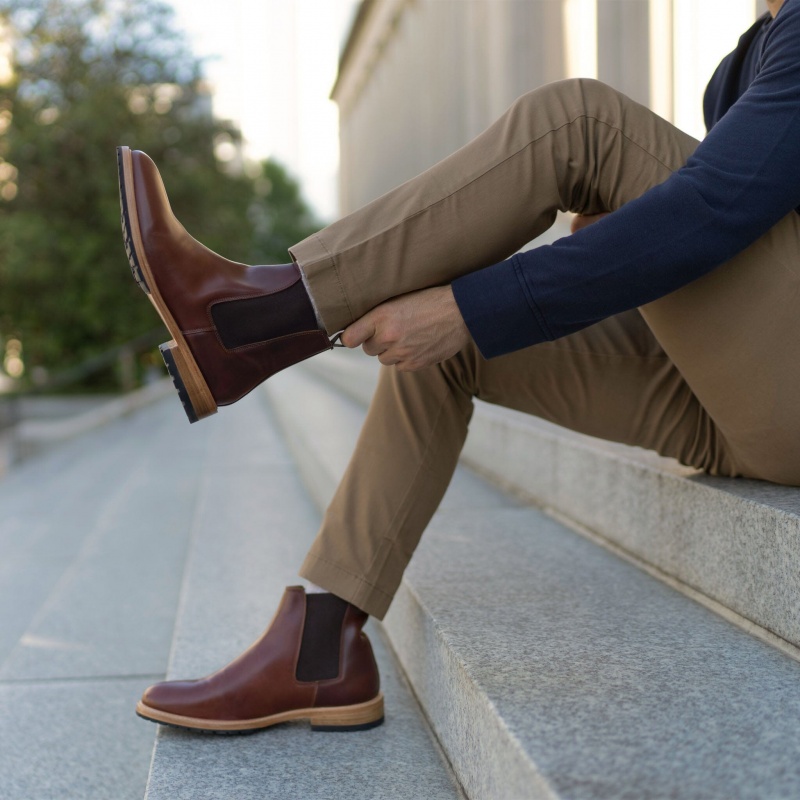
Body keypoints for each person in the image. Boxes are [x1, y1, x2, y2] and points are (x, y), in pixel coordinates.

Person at [119, 0, 799, 733]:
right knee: (440, 351)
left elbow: (712, 212)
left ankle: (259, 322)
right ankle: (321, 651)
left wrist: (472, 302)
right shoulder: (751, 53)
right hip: (741, 401)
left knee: (581, 123)